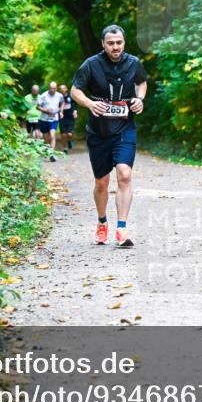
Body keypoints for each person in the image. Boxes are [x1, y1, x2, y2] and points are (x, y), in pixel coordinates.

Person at [70, 25, 148, 247]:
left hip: (124, 128)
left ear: (124, 43)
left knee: (124, 174)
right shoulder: (91, 64)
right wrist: (89, 103)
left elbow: (141, 82)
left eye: (119, 43)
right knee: (102, 182)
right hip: (99, 132)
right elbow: (75, 90)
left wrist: (139, 99)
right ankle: (102, 222)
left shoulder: (133, 63)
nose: (115, 47)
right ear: (103, 44)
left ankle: (121, 229)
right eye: (111, 43)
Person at [38, 82, 64, 161]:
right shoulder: (43, 95)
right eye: (51, 88)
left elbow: (62, 103)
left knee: (52, 135)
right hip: (44, 119)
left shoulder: (59, 95)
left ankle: (52, 154)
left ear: (56, 88)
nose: (52, 90)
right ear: (48, 88)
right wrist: (46, 110)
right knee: (46, 138)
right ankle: (47, 151)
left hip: (54, 119)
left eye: (54, 88)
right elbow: (38, 107)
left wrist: (61, 111)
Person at [59, 83, 77, 153]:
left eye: (63, 88)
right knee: (63, 134)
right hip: (62, 117)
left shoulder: (70, 96)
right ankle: (65, 148)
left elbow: (75, 104)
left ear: (66, 89)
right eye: (61, 89)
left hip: (70, 117)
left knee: (69, 134)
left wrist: (75, 111)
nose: (62, 90)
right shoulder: (58, 97)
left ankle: (69, 140)